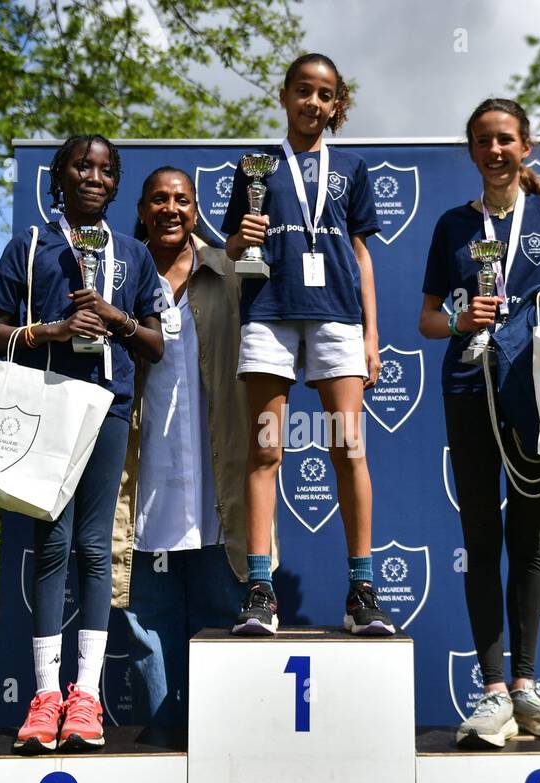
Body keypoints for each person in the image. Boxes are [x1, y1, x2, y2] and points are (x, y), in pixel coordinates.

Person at [0, 135, 164, 754]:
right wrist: (51, 330)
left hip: (108, 405)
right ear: (60, 175)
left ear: (116, 185)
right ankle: (44, 695)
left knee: (93, 546)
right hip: (45, 403)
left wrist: (115, 319)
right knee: (50, 540)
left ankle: (85, 695)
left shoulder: (134, 254)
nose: (95, 176)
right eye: (83, 165)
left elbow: (155, 344)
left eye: (107, 170)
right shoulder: (31, 246)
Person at [418, 98, 540, 747]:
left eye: (506, 139)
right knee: (481, 536)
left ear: (527, 147)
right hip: (468, 386)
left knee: (528, 537)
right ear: (472, 151)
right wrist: (461, 320)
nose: (495, 150)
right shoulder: (451, 226)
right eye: (484, 141)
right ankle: (492, 691)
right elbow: (427, 319)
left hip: (533, 386)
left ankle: (526, 686)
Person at [221, 52, 394, 637]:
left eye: (324, 94)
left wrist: (371, 335)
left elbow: (362, 253)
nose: (312, 102)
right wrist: (239, 237)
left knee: (348, 449)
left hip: (336, 320)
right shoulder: (255, 168)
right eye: (303, 90)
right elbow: (231, 252)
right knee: (267, 450)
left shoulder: (352, 168)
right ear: (285, 96)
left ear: (335, 105)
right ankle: (260, 589)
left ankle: (362, 589)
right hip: (269, 315)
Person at [108, 167, 276, 727]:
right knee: (147, 640)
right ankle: (160, 750)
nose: (171, 209)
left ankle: (220, 765)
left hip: (217, 496)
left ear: (196, 207)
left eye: (182, 199)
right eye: (159, 199)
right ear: (142, 208)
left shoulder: (228, 271)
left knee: (223, 646)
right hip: (145, 495)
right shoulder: (118, 278)